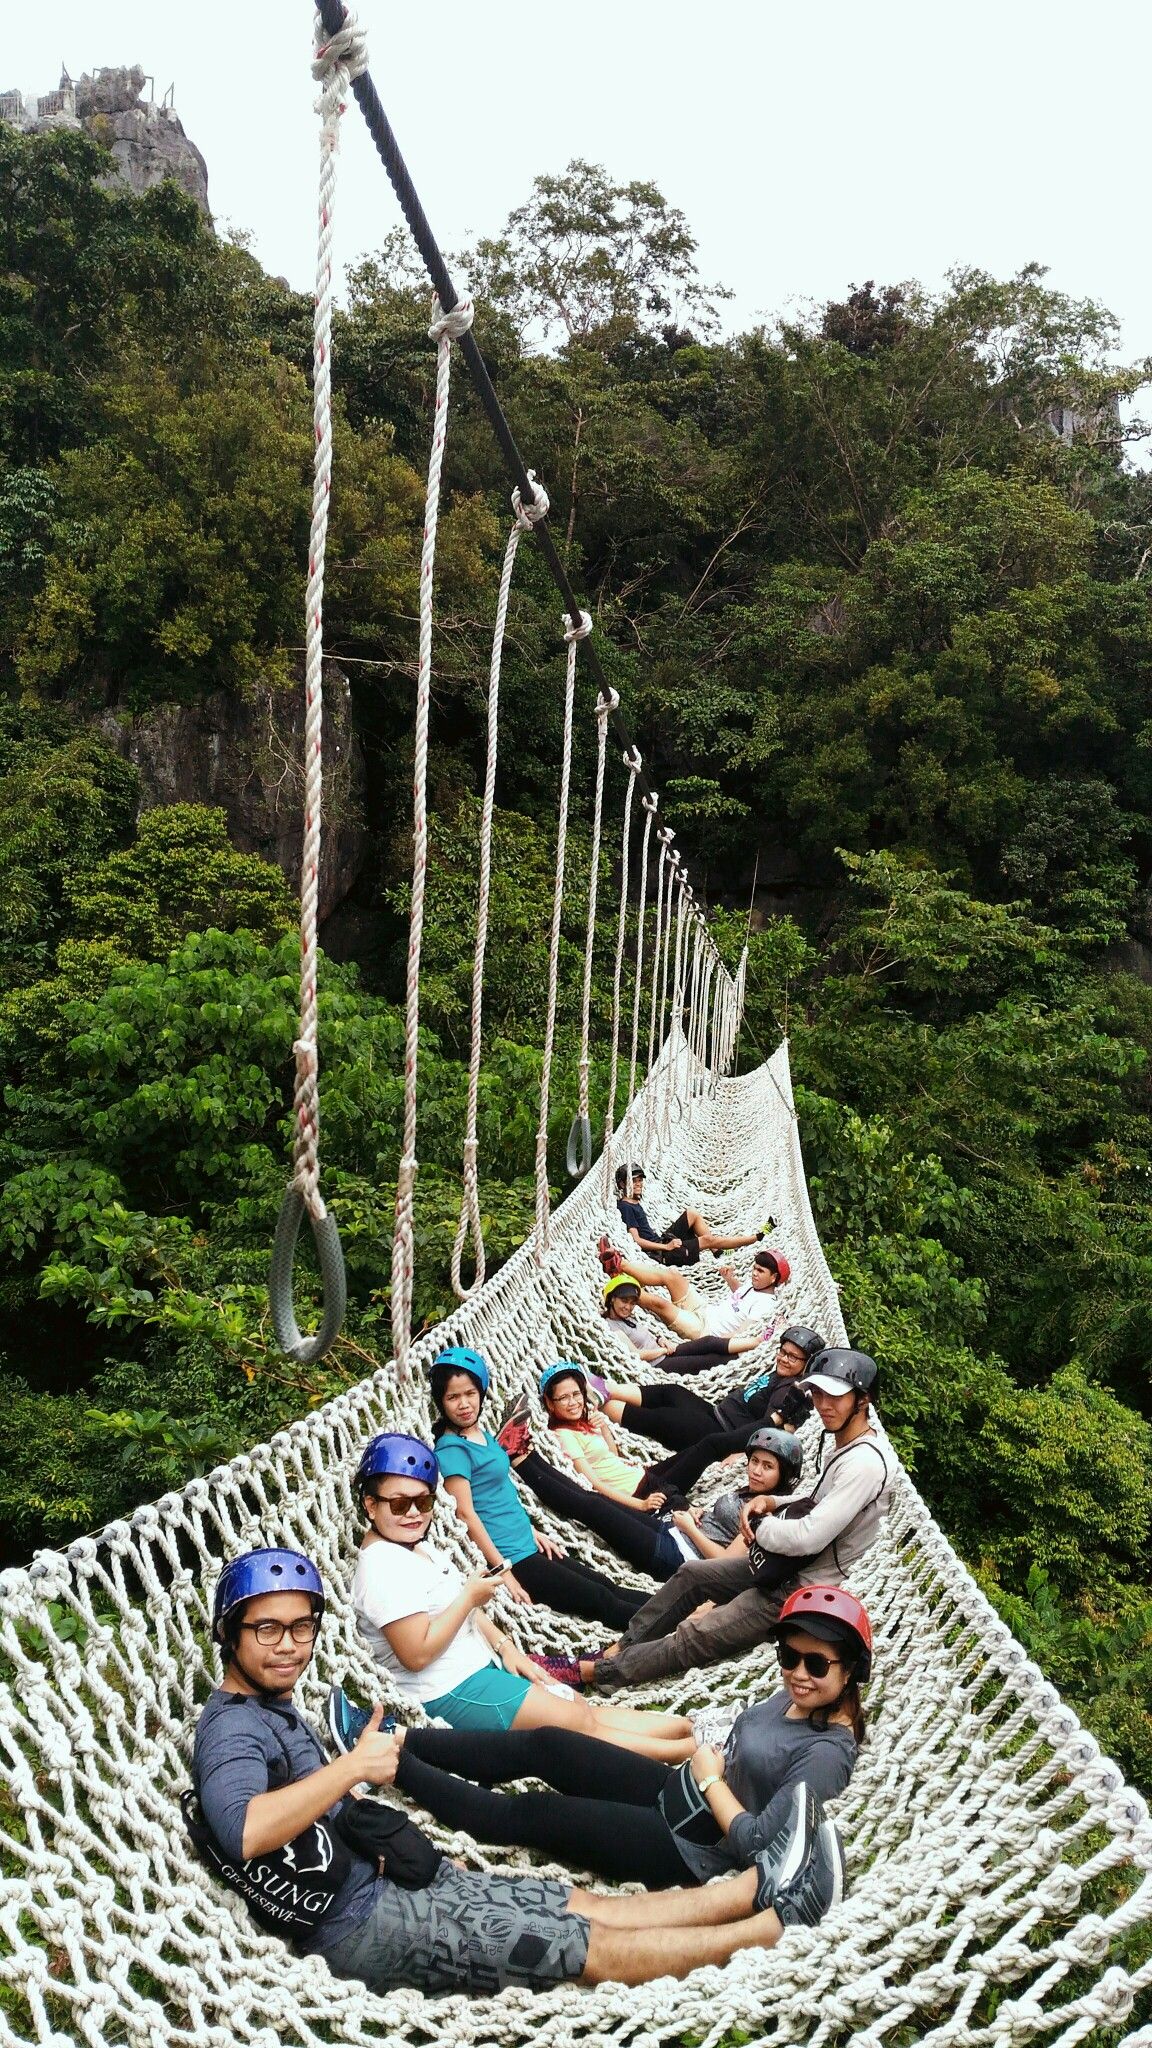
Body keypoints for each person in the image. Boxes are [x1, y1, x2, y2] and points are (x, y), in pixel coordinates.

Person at [191, 1548, 846, 1999]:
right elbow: (244, 1831)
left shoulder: (272, 1705)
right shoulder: (231, 1730)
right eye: (268, 1630)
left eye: (302, 1628)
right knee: (580, 1945)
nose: (290, 1645)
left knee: (577, 1903)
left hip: (399, 1877)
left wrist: (362, 1804)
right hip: (368, 1926)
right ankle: (778, 1925)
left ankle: (753, 1891)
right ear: (231, 1634)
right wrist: (353, 1770)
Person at [330, 1584, 865, 1903]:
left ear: (850, 1671)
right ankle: (400, 1736)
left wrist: (708, 1777)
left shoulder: (825, 1755)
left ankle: (391, 1764)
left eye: (817, 1664)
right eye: (789, 1658)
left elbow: (759, 1848)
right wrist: (701, 1771)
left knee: (535, 1813)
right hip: (675, 1791)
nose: (798, 1673)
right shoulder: (797, 1699)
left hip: (691, 1851)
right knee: (549, 1745)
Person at [348, 1432, 694, 1759]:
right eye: (398, 1504)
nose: (413, 1513)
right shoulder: (383, 1568)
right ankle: (691, 1752)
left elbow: (464, 1613)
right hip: (450, 1690)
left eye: (423, 1502)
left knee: (578, 1707)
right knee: (576, 1726)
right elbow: (417, 1654)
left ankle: (692, 1729)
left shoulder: (416, 1548)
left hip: (479, 1666)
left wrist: (507, 1648)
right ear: (371, 1505)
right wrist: (469, 1597)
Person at [582, 1350, 894, 1690]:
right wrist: (771, 1500)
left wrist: (762, 1526)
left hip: (797, 1588)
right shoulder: (846, 1446)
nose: (823, 1404)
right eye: (818, 1393)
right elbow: (819, 1502)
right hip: (781, 1564)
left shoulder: (864, 1464)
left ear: (863, 1399)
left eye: (835, 1396)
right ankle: (619, 1648)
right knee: (691, 1576)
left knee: (696, 1634)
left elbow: (810, 1537)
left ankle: (598, 1674)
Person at [427, 1345, 649, 1631]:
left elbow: (500, 1493)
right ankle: (677, 1625)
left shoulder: (478, 1433)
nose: (464, 1404)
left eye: (470, 1393)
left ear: (481, 1393)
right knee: (600, 1599)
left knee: (604, 1584)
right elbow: (466, 1515)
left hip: (528, 1543)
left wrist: (533, 1531)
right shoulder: (451, 1449)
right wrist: (503, 1571)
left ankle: (680, 1608)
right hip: (515, 1559)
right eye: (453, 1397)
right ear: (441, 1402)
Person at [599, 1328, 825, 1490]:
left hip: (719, 1432)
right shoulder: (780, 1373)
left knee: (661, 1418)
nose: (784, 1359)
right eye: (783, 1352)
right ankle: (604, 1388)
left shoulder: (789, 1390)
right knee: (671, 1391)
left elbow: (769, 1434)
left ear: (807, 1363)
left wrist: (737, 1455)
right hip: (715, 1412)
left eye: (793, 1357)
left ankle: (599, 1405)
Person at [532, 1364, 702, 1578]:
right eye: (563, 1397)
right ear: (549, 1403)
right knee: (689, 1538)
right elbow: (594, 1483)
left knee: (699, 1516)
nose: (573, 1402)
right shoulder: (563, 1435)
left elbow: (613, 1456)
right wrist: (640, 1505)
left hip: (650, 1482)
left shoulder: (582, 1425)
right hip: (640, 1496)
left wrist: (603, 1427)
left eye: (576, 1394)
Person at [670, 1429, 805, 1561]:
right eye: (754, 1461)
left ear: (784, 1475)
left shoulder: (763, 1513)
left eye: (768, 1466)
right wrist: (698, 1513)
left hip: (686, 1554)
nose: (756, 1471)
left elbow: (724, 1561)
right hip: (678, 1533)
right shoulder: (749, 1491)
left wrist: (689, 1529)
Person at [611, 1163, 768, 1266]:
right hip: (662, 1254)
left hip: (662, 1241)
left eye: (640, 1180)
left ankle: (717, 1252)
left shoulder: (633, 1203)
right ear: (623, 1184)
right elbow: (636, 1240)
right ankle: (756, 1237)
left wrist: (666, 1242)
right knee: (708, 1240)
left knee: (691, 1213)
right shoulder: (625, 1207)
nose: (638, 1184)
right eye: (633, 1181)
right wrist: (666, 1246)